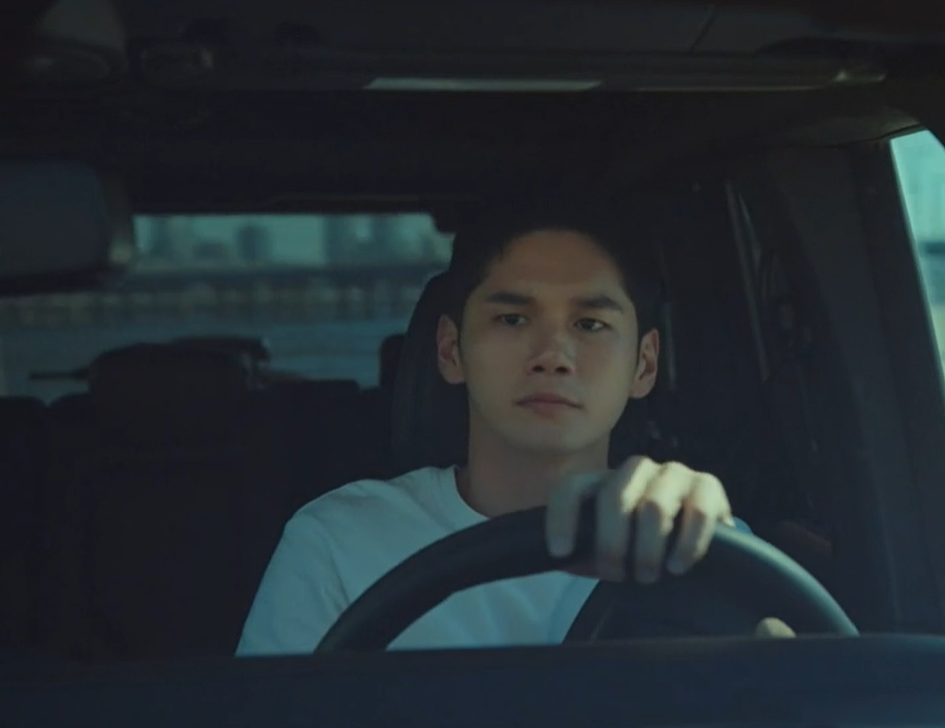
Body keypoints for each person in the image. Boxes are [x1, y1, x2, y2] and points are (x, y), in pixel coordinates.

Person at [237, 195, 791, 655]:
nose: (553, 356)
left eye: (590, 324)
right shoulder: (340, 543)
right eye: (512, 318)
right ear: (450, 351)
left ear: (644, 365)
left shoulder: (698, 539)